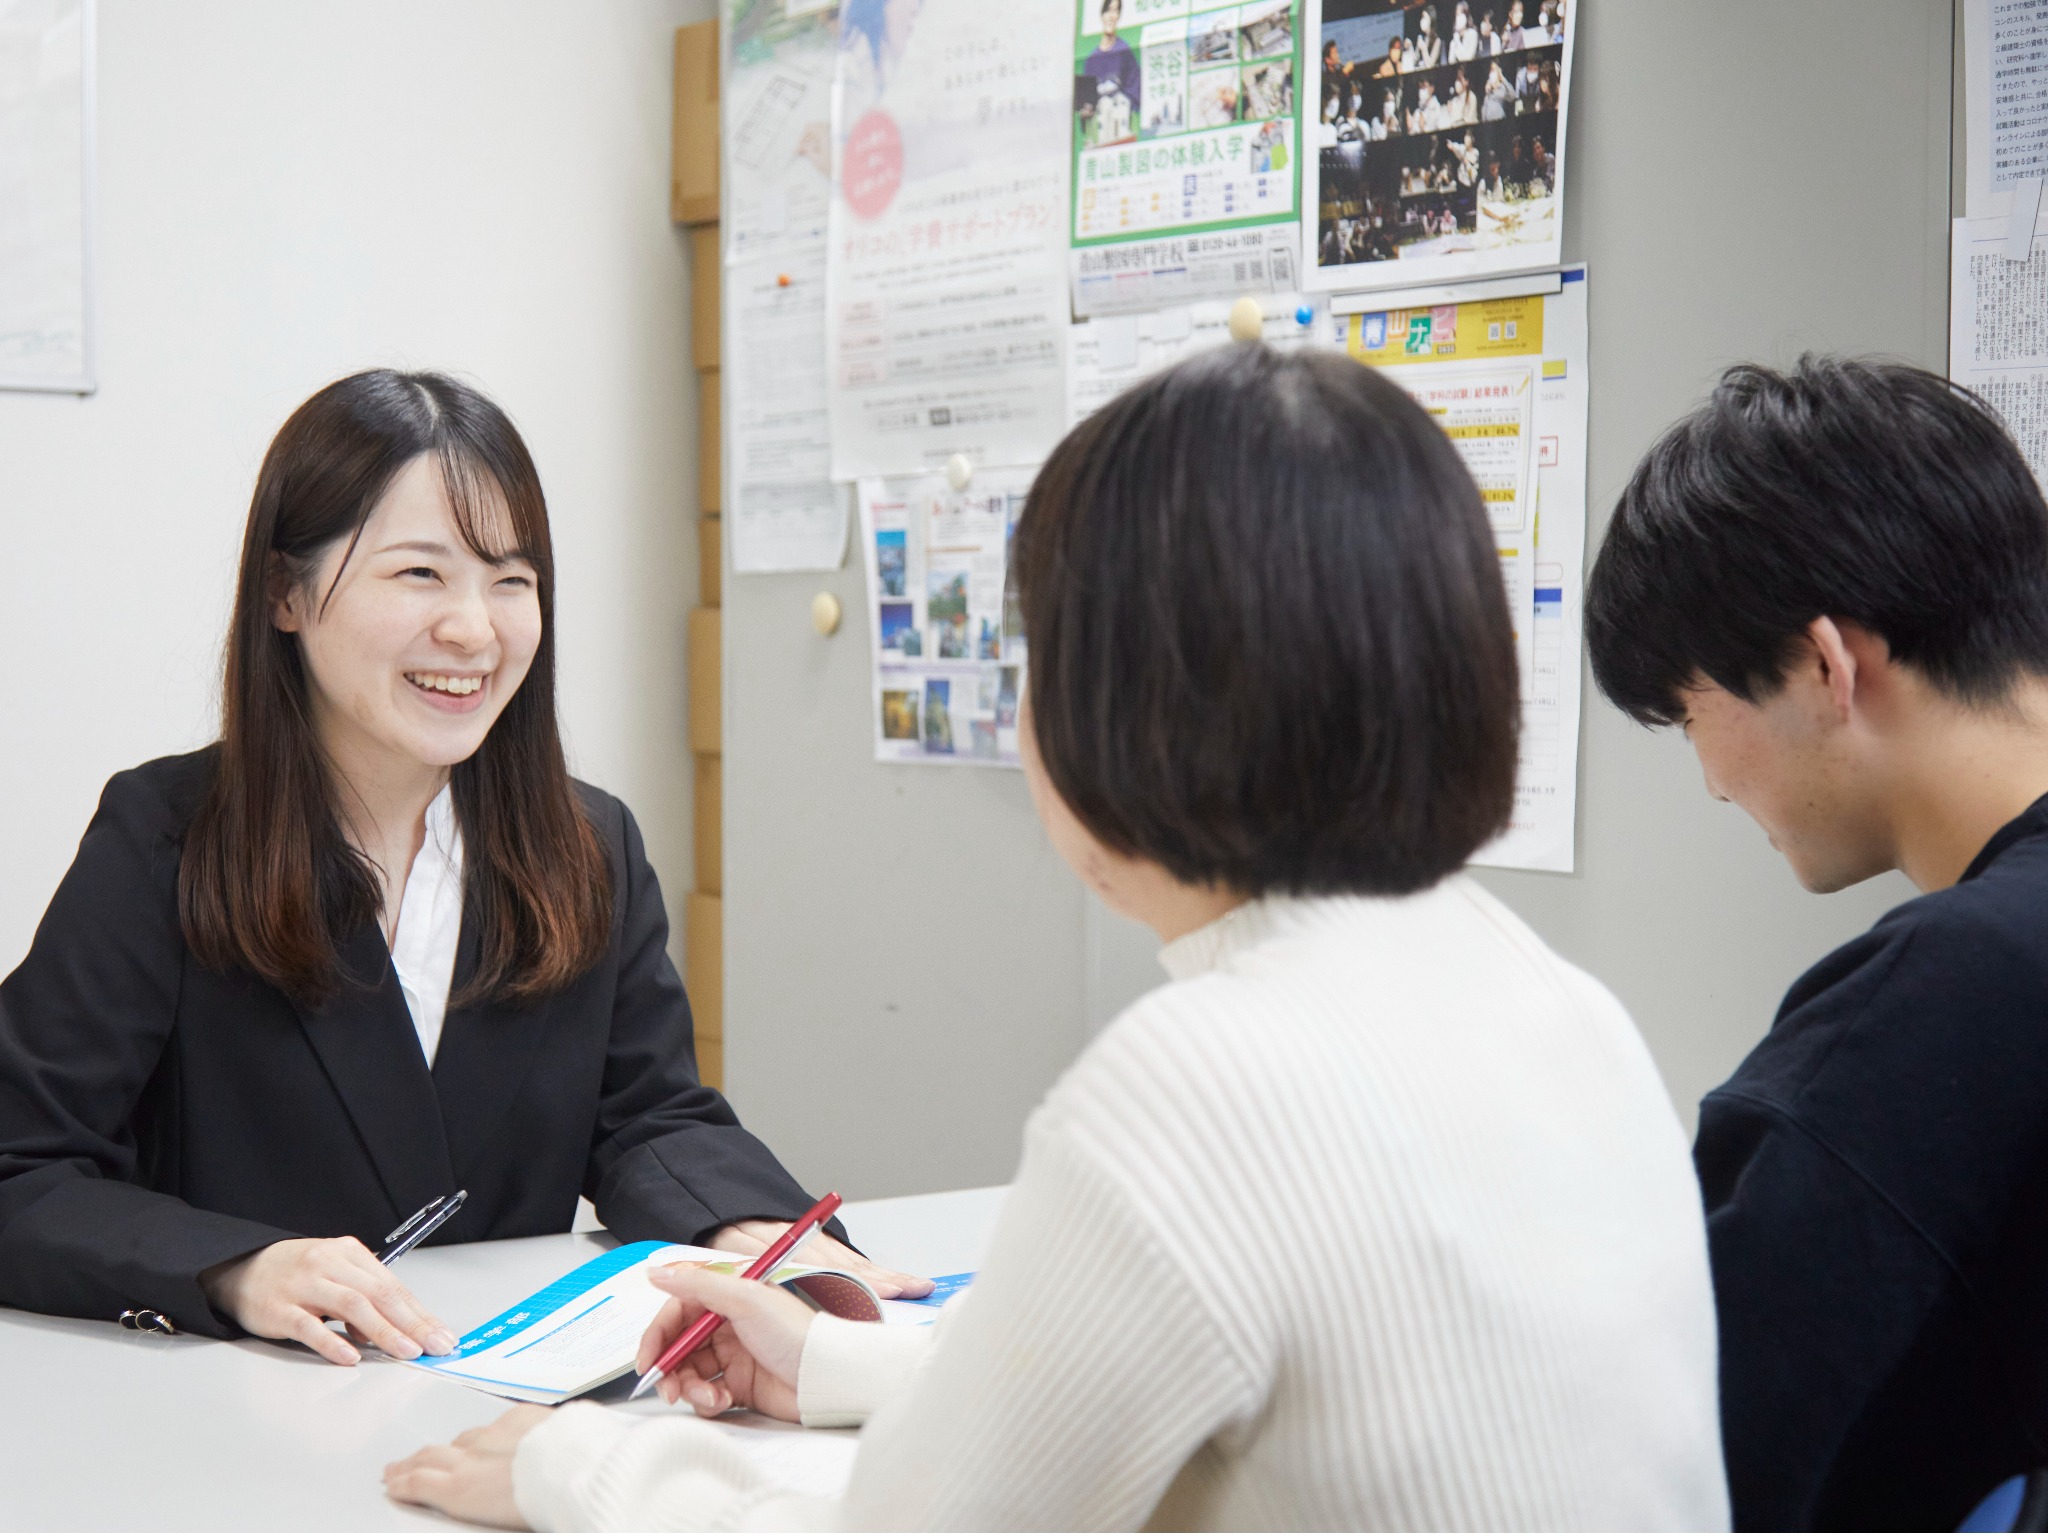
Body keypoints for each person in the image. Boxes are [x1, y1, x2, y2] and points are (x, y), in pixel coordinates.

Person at [387, 347, 1732, 1532]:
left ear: (1124, 704)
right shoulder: (1555, 1005)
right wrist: (841, 1366)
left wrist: (580, 1469)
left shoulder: (1207, 1079)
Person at [0, 371, 922, 1363]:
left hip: (505, 1407)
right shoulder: (166, 837)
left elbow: (650, 1117)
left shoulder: (587, 845)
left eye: (511, 580)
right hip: (240, 1405)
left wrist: (742, 1231)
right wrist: (239, 1268)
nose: (475, 631)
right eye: (419, 575)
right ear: (284, 593)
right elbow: (20, 1167)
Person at [1582, 358, 2048, 1531]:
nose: (1707, 781)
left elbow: (1673, 1467)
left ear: (1823, 665)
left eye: (1693, 715)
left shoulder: (1945, 998)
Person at [1078, 0, 1141, 145]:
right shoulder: (1091, 59)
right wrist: (1087, 107)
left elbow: (1134, 85)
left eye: (1116, 11)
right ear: (1102, 14)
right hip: (1099, 114)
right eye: (1108, 10)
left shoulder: (1124, 51)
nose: (1111, 16)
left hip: (1120, 109)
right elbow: (1087, 95)